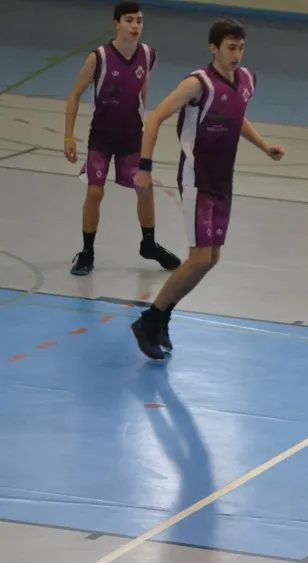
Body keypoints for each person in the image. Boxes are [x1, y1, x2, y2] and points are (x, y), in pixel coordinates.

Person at [129, 19, 286, 359]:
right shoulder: (197, 84)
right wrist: (144, 167)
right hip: (196, 180)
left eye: (240, 48)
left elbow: (236, 116)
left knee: (210, 259)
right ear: (214, 49)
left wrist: (264, 146)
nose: (236, 55)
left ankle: (161, 316)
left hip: (223, 180)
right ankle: (150, 319)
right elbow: (154, 118)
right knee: (199, 257)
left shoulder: (247, 80)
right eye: (230, 48)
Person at [64, 1, 180, 276]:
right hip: (102, 138)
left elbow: (143, 90)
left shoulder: (149, 55)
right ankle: (87, 252)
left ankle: (149, 244)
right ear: (116, 24)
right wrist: (68, 136)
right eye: (129, 20)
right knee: (95, 192)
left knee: (145, 189)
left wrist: (144, 124)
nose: (135, 25)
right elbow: (74, 95)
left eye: (139, 20)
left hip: (131, 138)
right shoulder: (99, 58)